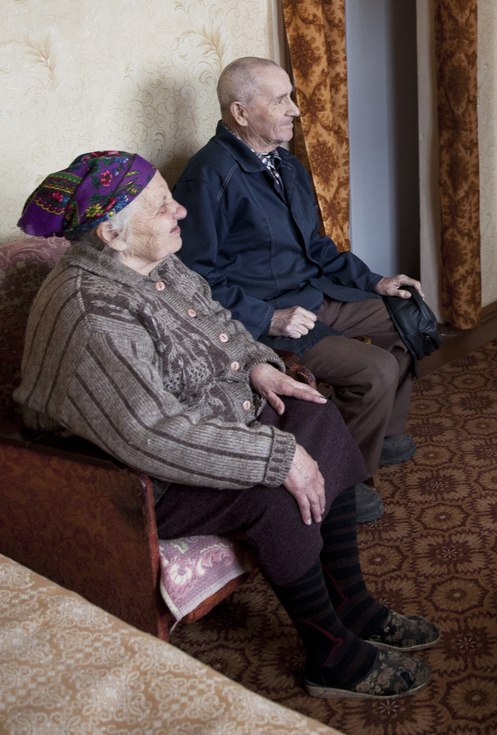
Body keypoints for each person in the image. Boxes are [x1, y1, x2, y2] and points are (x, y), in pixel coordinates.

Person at [13, 150, 437, 700]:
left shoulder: (155, 262)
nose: (180, 211)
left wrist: (259, 363)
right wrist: (275, 458)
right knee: (272, 492)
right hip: (124, 478)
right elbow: (152, 432)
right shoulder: (92, 311)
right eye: (162, 204)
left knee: (313, 409)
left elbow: (216, 320)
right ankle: (331, 654)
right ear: (111, 235)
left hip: (207, 417)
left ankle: (352, 600)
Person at [175, 57, 423, 523]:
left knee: (409, 317)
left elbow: (316, 245)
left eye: (291, 97)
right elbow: (195, 280)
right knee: (375, 370)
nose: (295, 110)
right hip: (266, 316)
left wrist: (375, 282)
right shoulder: (208, 176)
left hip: (313, 293)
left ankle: (381, 431)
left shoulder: (284, 165)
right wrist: (268, 318)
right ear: (240, 112)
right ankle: (341, 479)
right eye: (281, 100)